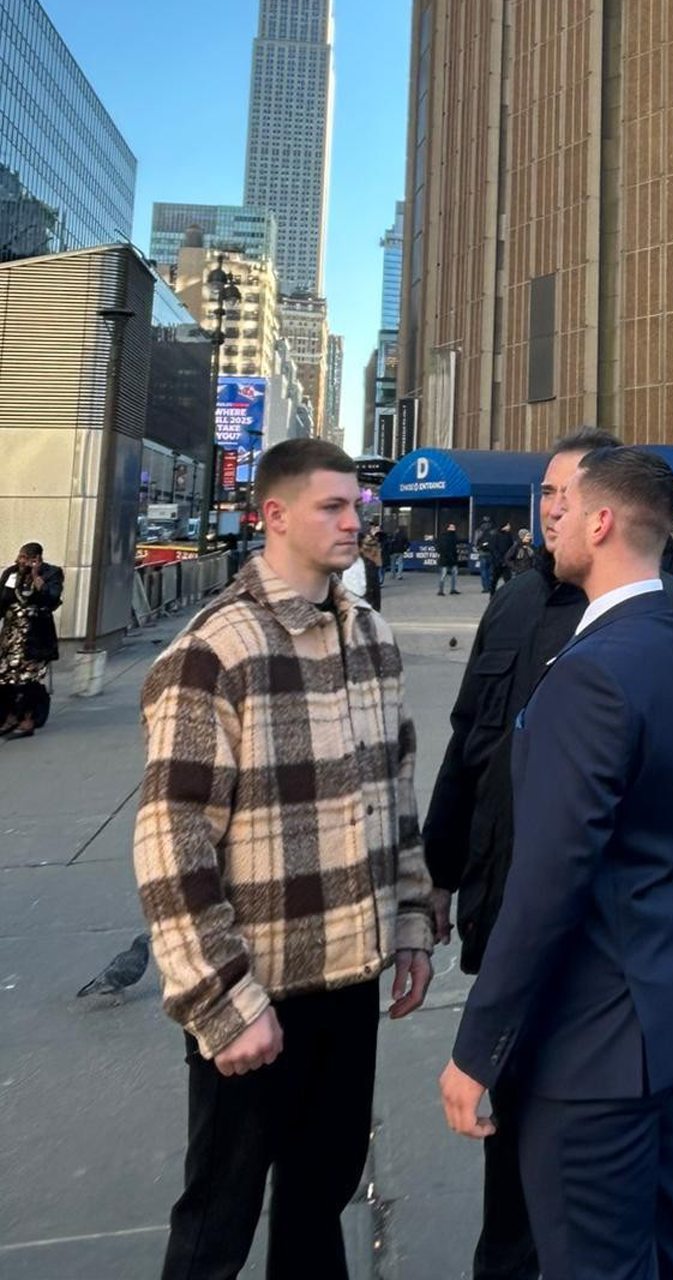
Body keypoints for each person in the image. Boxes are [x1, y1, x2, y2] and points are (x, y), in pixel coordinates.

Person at [423, 427, 673, 1280]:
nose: (548, 518)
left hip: (592, 1031)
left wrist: (477, 1046)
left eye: (564, 504)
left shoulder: (595, 669)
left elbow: (554, 871)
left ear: (602, 522)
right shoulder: (672, 645)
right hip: (668, 1006)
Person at [134, 436, 435, 1280]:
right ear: (273, 516)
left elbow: (396, 793)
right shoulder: (214, 649)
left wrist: (412, 923)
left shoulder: (370, 635)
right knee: (217, 1219)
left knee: (321, 1196)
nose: (355, 520)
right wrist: (222, 1001)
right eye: (332, 507)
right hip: (255, 985)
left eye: (358, 506)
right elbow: (172, 838)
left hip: (351, 978)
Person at [0, 542, 63, 737]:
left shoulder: (51, 573)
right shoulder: (11, 573)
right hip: (11, 636)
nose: (22, 562)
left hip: (36, 635)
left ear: (38, 559)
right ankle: (9, 716)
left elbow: (52, 599)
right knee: (5, 677)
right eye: (21, 558)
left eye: (27, 559)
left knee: (29, 679)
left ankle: (28, 719)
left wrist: (36, 577)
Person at [487, 520, 517, 590]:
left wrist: (509, 558)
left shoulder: (509, 535)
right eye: (507, 525)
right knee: (494, 579)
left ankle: (508, 593)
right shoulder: (496, 535)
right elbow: (493, 549)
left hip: (506, 562)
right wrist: (499, 559)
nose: (509, 527)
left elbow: (511, 548)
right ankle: (492, 593)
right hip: (497, 562)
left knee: (508, 579)